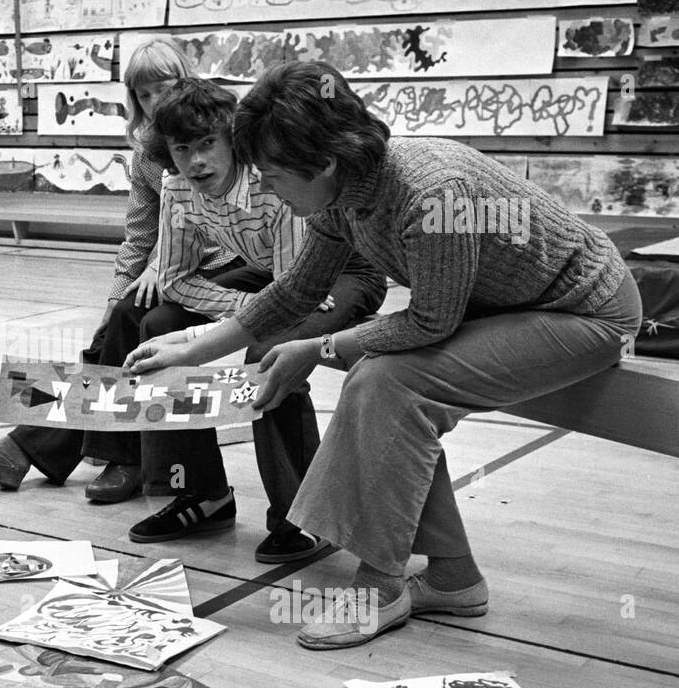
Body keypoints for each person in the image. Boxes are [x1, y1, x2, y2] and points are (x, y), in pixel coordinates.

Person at [126, 61, 641, 649]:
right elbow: (293, 291)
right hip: (515, 305)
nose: (264, 186)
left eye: (270, 174)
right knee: (383, 381)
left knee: (385, 385)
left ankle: (379, 586)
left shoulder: (429, 193)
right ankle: (452, 578)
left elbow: (430, 320)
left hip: (585, 312)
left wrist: (318, 347)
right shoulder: (340, 194)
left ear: (321, 163)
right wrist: (191, 347)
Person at [0, 36, 235, 502]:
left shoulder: (214, 133)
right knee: (114, 324)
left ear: (185, 80)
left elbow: (215, 217)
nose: (152, 102)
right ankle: (48, 449)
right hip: (171, 267)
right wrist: (117, 290)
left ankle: (105, 455)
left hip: (226, 262)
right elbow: (139, 232)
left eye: (162, 89)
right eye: (142, 95)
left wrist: (159, 270)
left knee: (134, 319)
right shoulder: (147, 152)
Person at [125, 78, 386, 562]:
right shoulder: (176, 186)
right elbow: (176, 280)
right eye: (183, 148)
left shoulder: (266, 180)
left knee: (269, 351)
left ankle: (303, 515)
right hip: (275, 275)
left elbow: (294, 294)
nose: (197, 161)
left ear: (231, 140)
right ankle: (203, 493)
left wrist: (232, 324)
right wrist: (242, 310)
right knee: (156, 324)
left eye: (208, 144)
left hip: (340, 270)